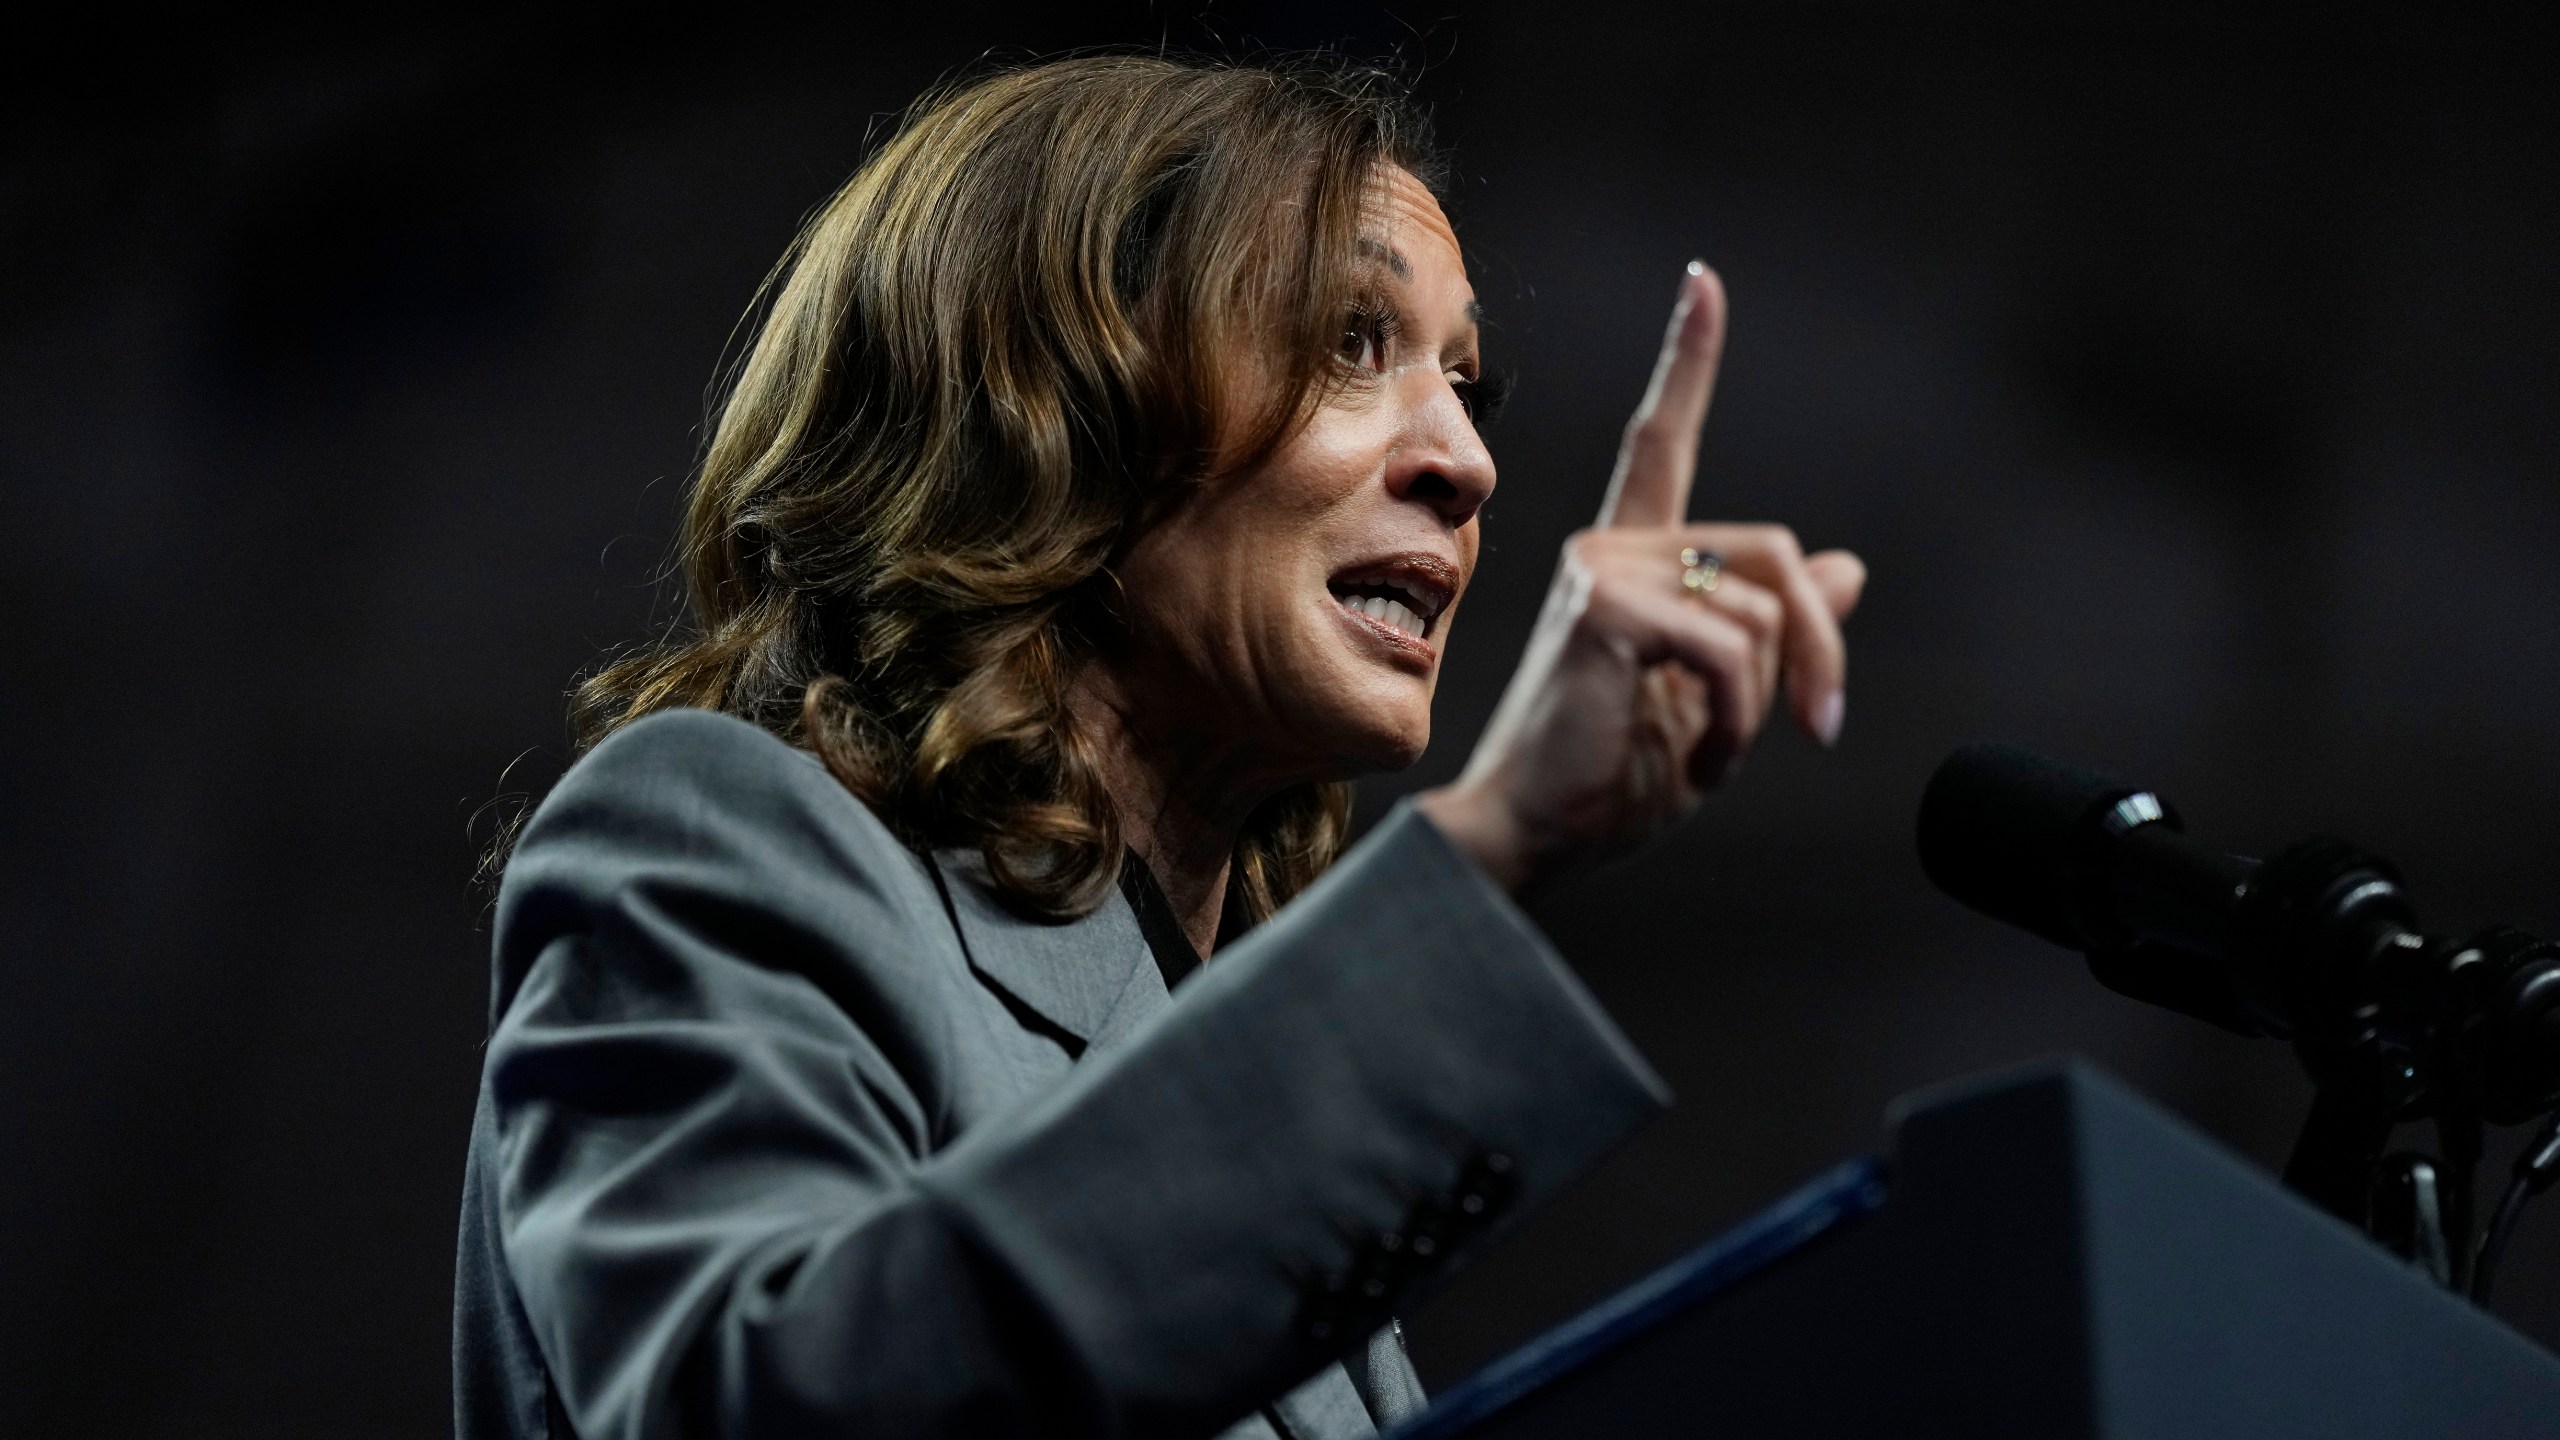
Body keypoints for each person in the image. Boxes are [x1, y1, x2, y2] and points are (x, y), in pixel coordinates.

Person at [454, 53, 1865, 1440]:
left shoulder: (1244, 1062)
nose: (1467, 460)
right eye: (1349, 341)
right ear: (1056, 402)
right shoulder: (713, 830)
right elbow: (778, 1402)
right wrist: (1492, 845)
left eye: (1467, 381)